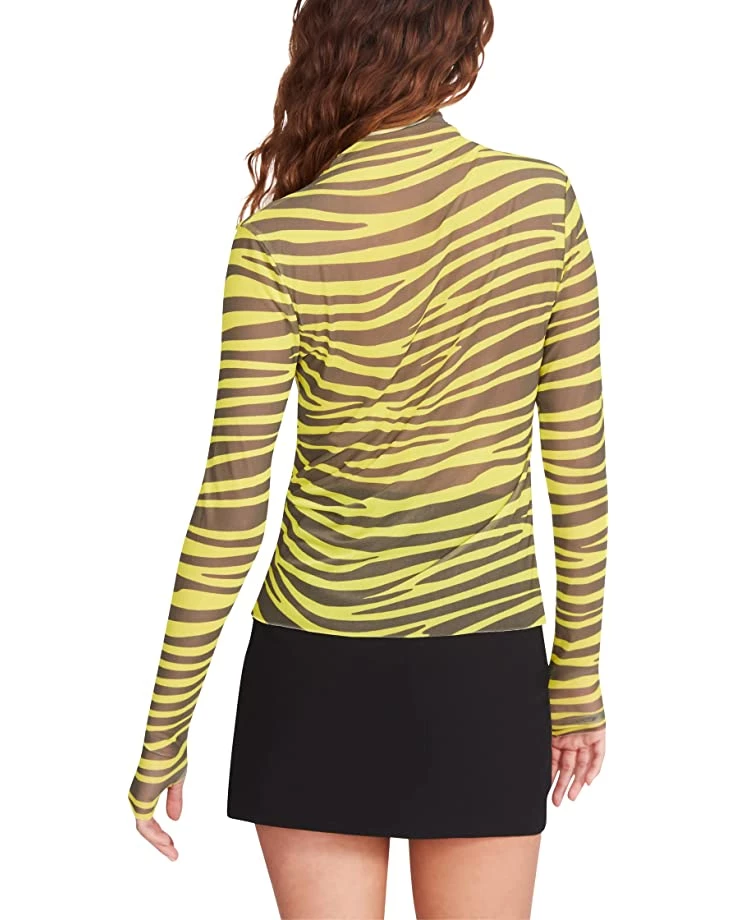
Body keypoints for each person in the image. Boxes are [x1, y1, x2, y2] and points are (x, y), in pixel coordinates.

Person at [128, 0, 608, 916]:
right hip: (484, 665)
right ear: (457, 52)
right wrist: (576, 676)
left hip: (312, 672)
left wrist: (164, 731)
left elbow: (230, 508)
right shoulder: (541, 204)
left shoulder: (280, 238)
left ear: (322, 51)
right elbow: (578, 471)